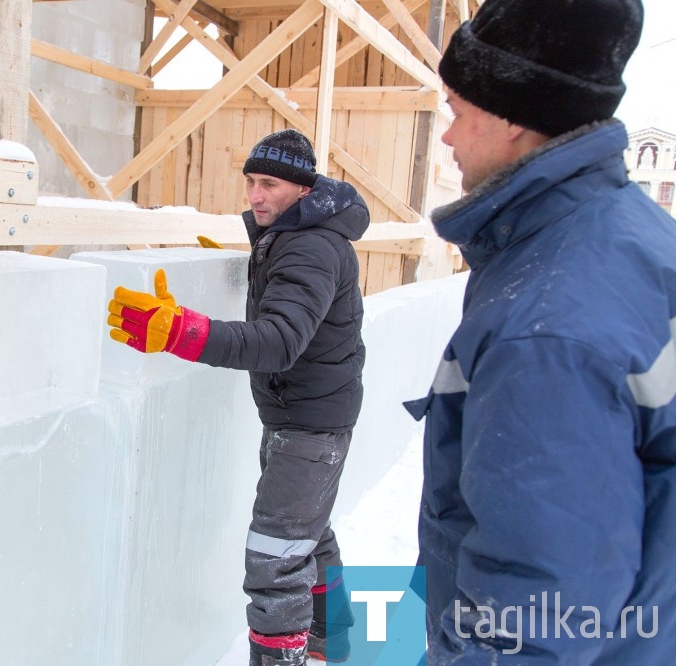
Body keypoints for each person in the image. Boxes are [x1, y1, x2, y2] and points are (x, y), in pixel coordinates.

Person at [405, 0, 676, 662]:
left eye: (456, 112)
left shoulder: (547, 326)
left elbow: (531, 617)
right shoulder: (629, 234)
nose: (447, 136)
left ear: (511, 120)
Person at [107, 128, 368, 665]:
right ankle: (333, 635)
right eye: (250, 182)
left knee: (275, 558)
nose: (254, 196)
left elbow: (279, 340)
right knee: (305, 535)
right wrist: (250, 261)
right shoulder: (299, 236)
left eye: (268, 183)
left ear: (301, 189)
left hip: (310, 424)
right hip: (305, 413)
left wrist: (183, 332)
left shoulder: (313, 246)